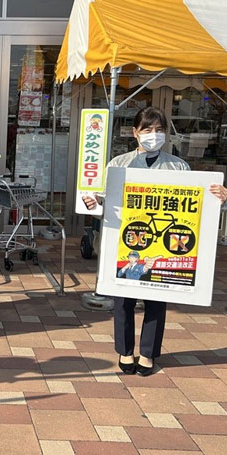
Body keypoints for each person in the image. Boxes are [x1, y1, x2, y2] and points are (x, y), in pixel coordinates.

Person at [83, 106, 227, 376]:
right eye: (148, 130)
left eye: (159, 130)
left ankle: (148, 353)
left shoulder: (178, 166)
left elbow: (194, 203)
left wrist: (218, 195)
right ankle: (125, 352)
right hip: (128, 242)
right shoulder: (118, 165)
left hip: (163, 243)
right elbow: (105, 198)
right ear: (135, 132)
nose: (154, 135)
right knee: (123, 299)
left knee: (156, 297)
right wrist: (96, 201)